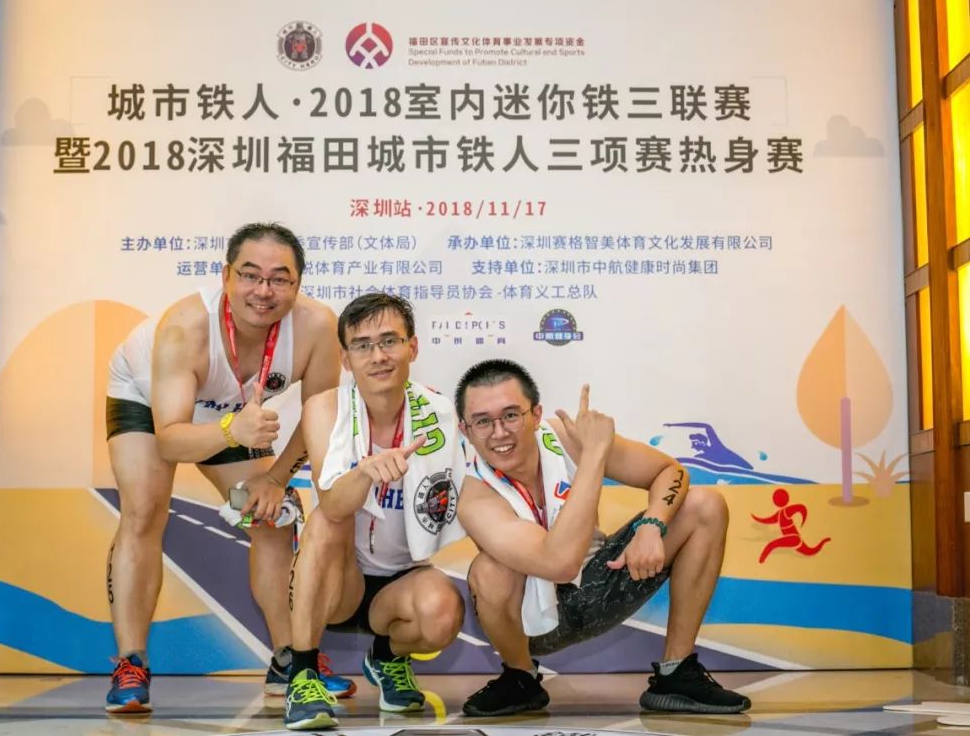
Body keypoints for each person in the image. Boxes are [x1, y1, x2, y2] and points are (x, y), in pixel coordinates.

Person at [103, 222, 353, 713]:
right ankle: (131, 663)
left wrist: (275, 479)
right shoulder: (184, 327)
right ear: (226, 276)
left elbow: (321, 417)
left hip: (230, 412)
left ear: (298, 284)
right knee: (144, 512)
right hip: (150, 400)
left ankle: (291, 659)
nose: (263, 290)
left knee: (273, 517)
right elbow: (170, 441)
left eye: (279, 279)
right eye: (250, 275)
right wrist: (230, 431)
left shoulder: (318, 326)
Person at [455, 359, 751, 716]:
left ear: (535, 414)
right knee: (489, 571)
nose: (499, 432)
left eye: (511, 415)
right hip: (535, 621)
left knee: (704, 506)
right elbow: (559, 564)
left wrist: (652, 525)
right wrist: (594, 452)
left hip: (604, 577)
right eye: (483, 422)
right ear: (465, 430)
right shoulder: (473, 494)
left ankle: (676, 672)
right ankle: (520, 677)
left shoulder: (565, 438)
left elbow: (669, 471)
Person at [283, 293, 467, 730]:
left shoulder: (439, 412)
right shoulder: (325, 408)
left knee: (443, 611)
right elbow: (332, 503)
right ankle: (302, 675)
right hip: (339, 581)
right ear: (345, 359)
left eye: (389, 341)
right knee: (326, 523)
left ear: (412, 347)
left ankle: (385, 658)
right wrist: (365, 471)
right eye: (362, 345)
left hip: (400, 579)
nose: (378, 356)